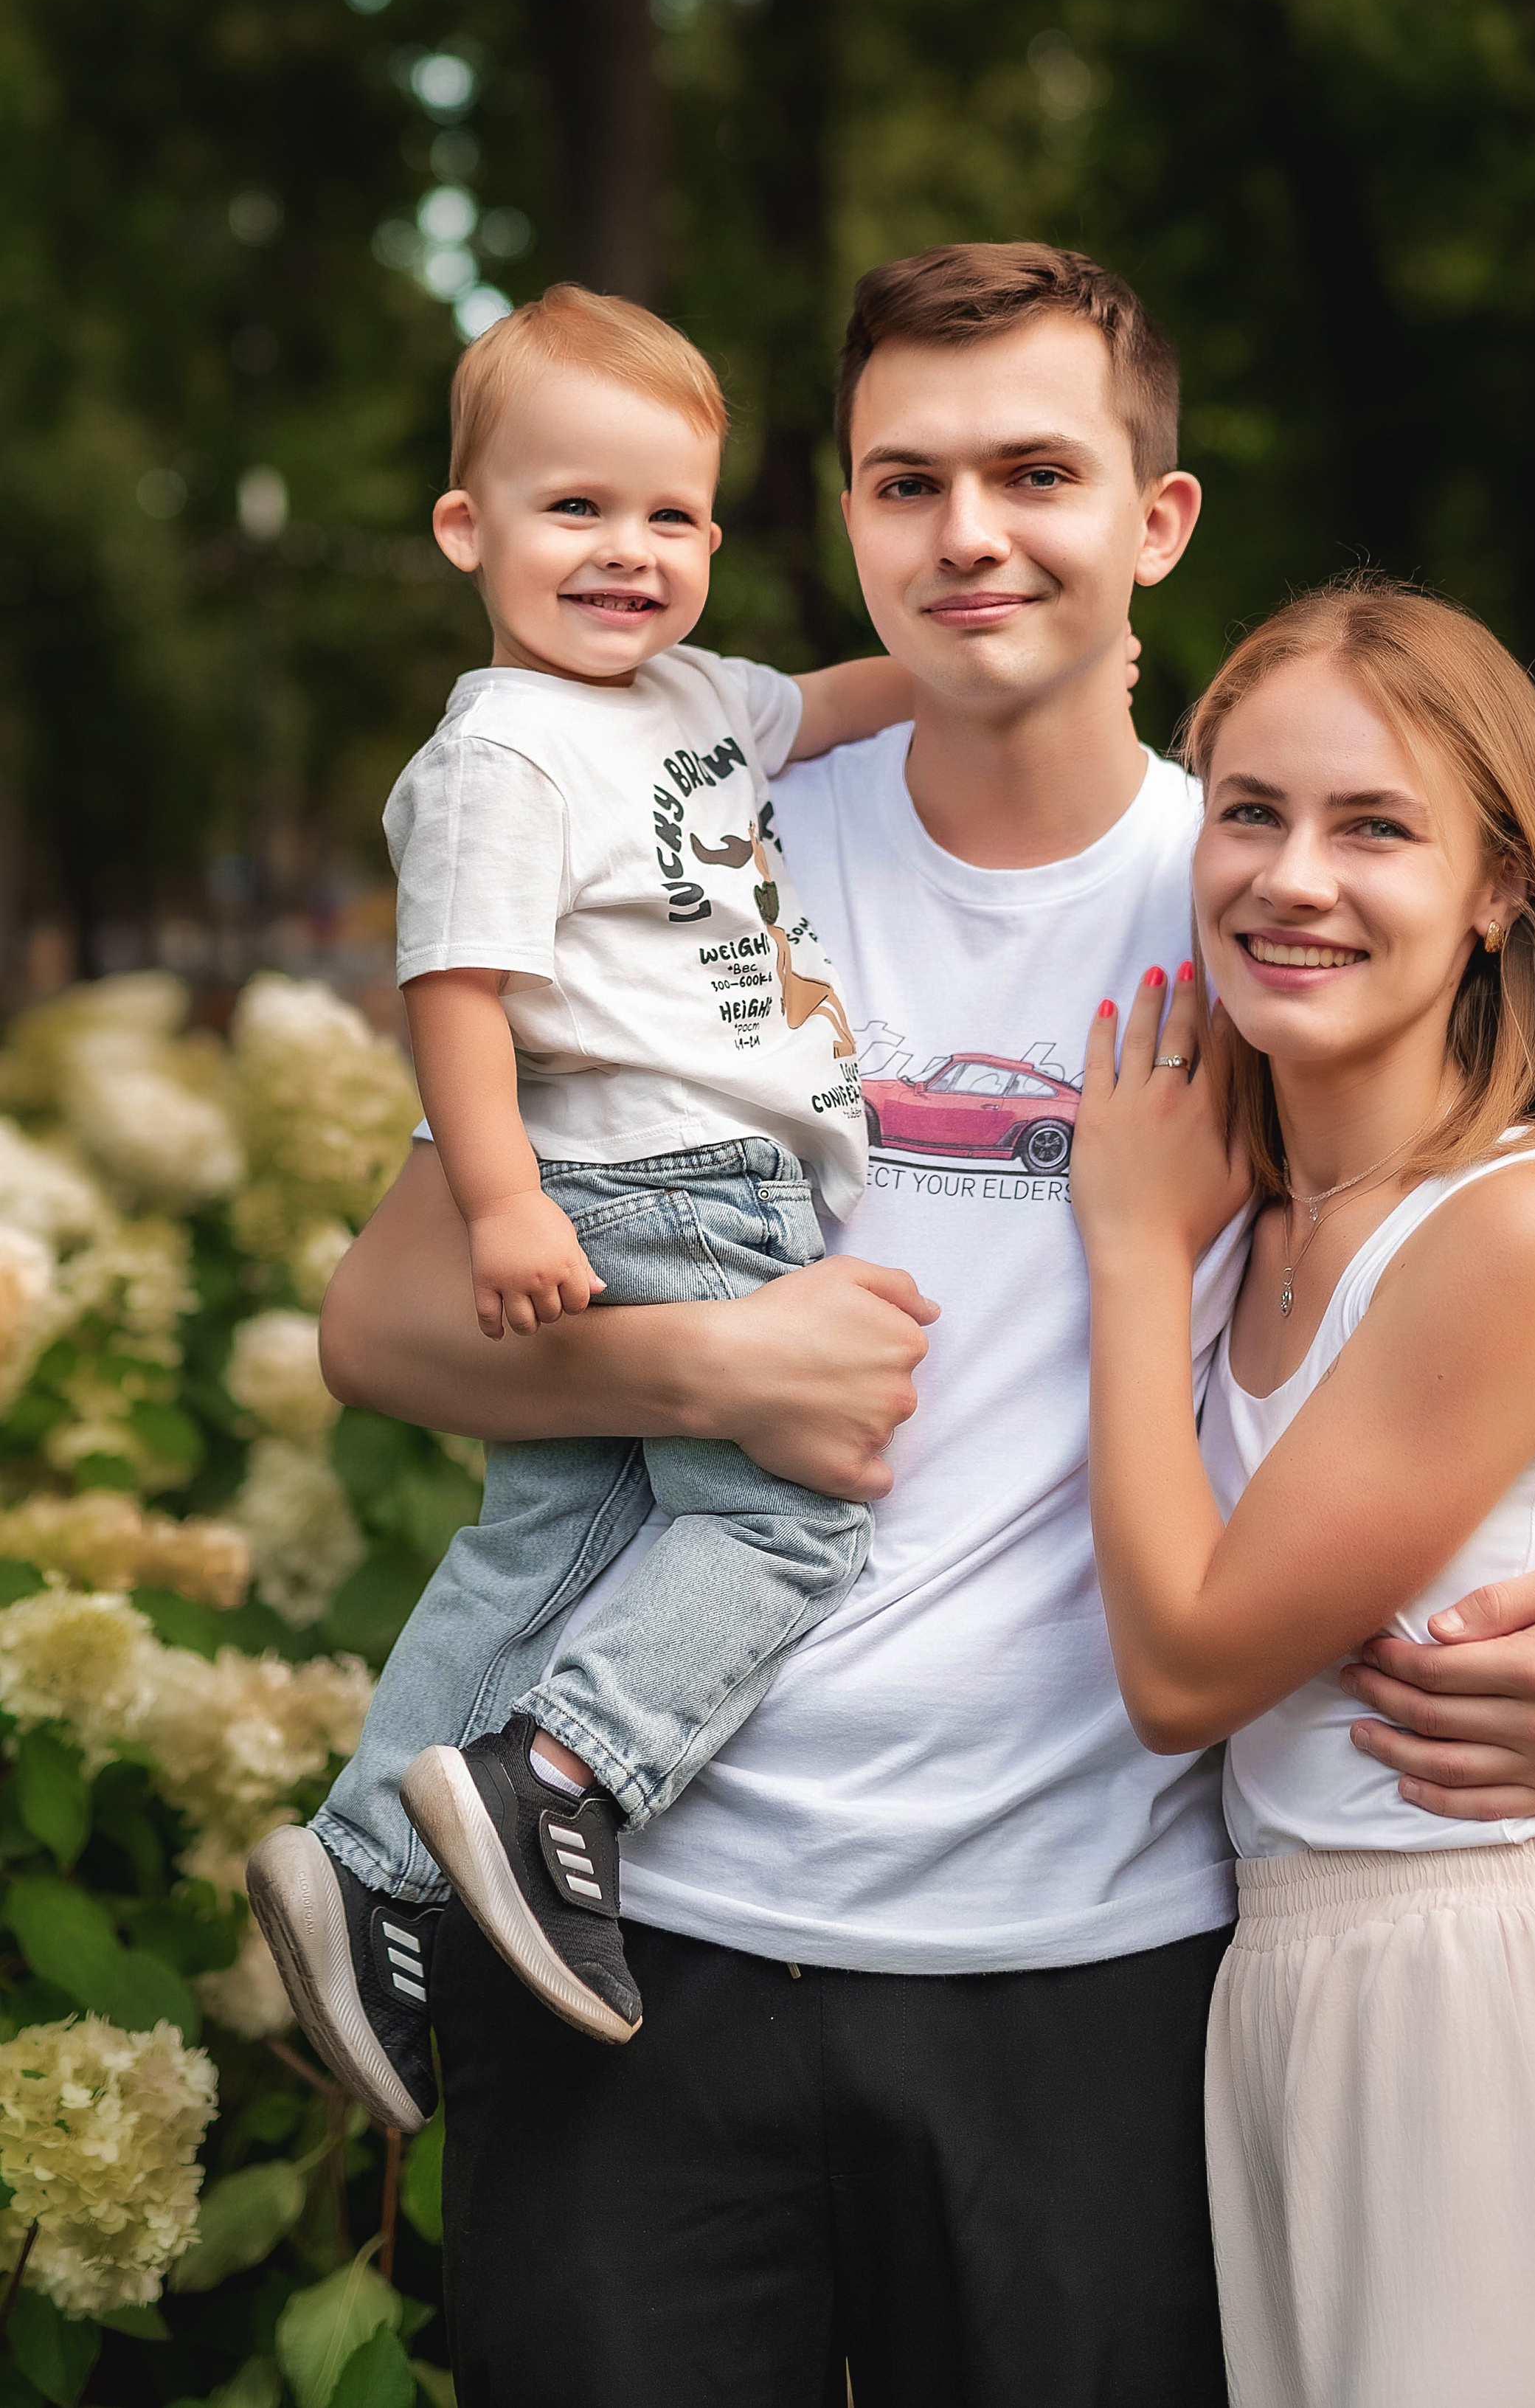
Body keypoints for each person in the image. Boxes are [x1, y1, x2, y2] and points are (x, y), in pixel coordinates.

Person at [318, 245, 1535, 2408]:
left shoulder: (1266, 897)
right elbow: (386, 1320)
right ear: (852, 525)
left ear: (1154, 521)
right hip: (641, 1927)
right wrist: (709, 1366)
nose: (971, 535)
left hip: (1098, 1969)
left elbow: (1486, 1283)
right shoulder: (702, 839)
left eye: (1039, 471)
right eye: (908, 482)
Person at [1069, 579, 1535, 2408]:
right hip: (1294, 2002)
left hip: (1474, 2026)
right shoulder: (1259, 1209)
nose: (1289, 877)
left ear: (1496, 890)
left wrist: (1131, 1257)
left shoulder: (1517, 1229)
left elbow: (1182, 1669)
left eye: (1373, 826)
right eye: (1248, 810)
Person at [249, 284, 914, 2124]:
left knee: (549, 1531)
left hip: (669, 1169)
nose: (627, 553)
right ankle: (566, 1774)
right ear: (468, 530)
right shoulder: (501, 752)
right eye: (574, 511)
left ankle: (367, 1858)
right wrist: (504, 1203)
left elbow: (841, 699)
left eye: (669, 517)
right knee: (784, 1524)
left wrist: (989, 659)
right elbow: (452, 992)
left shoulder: (694, 698)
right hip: (661, 1178)